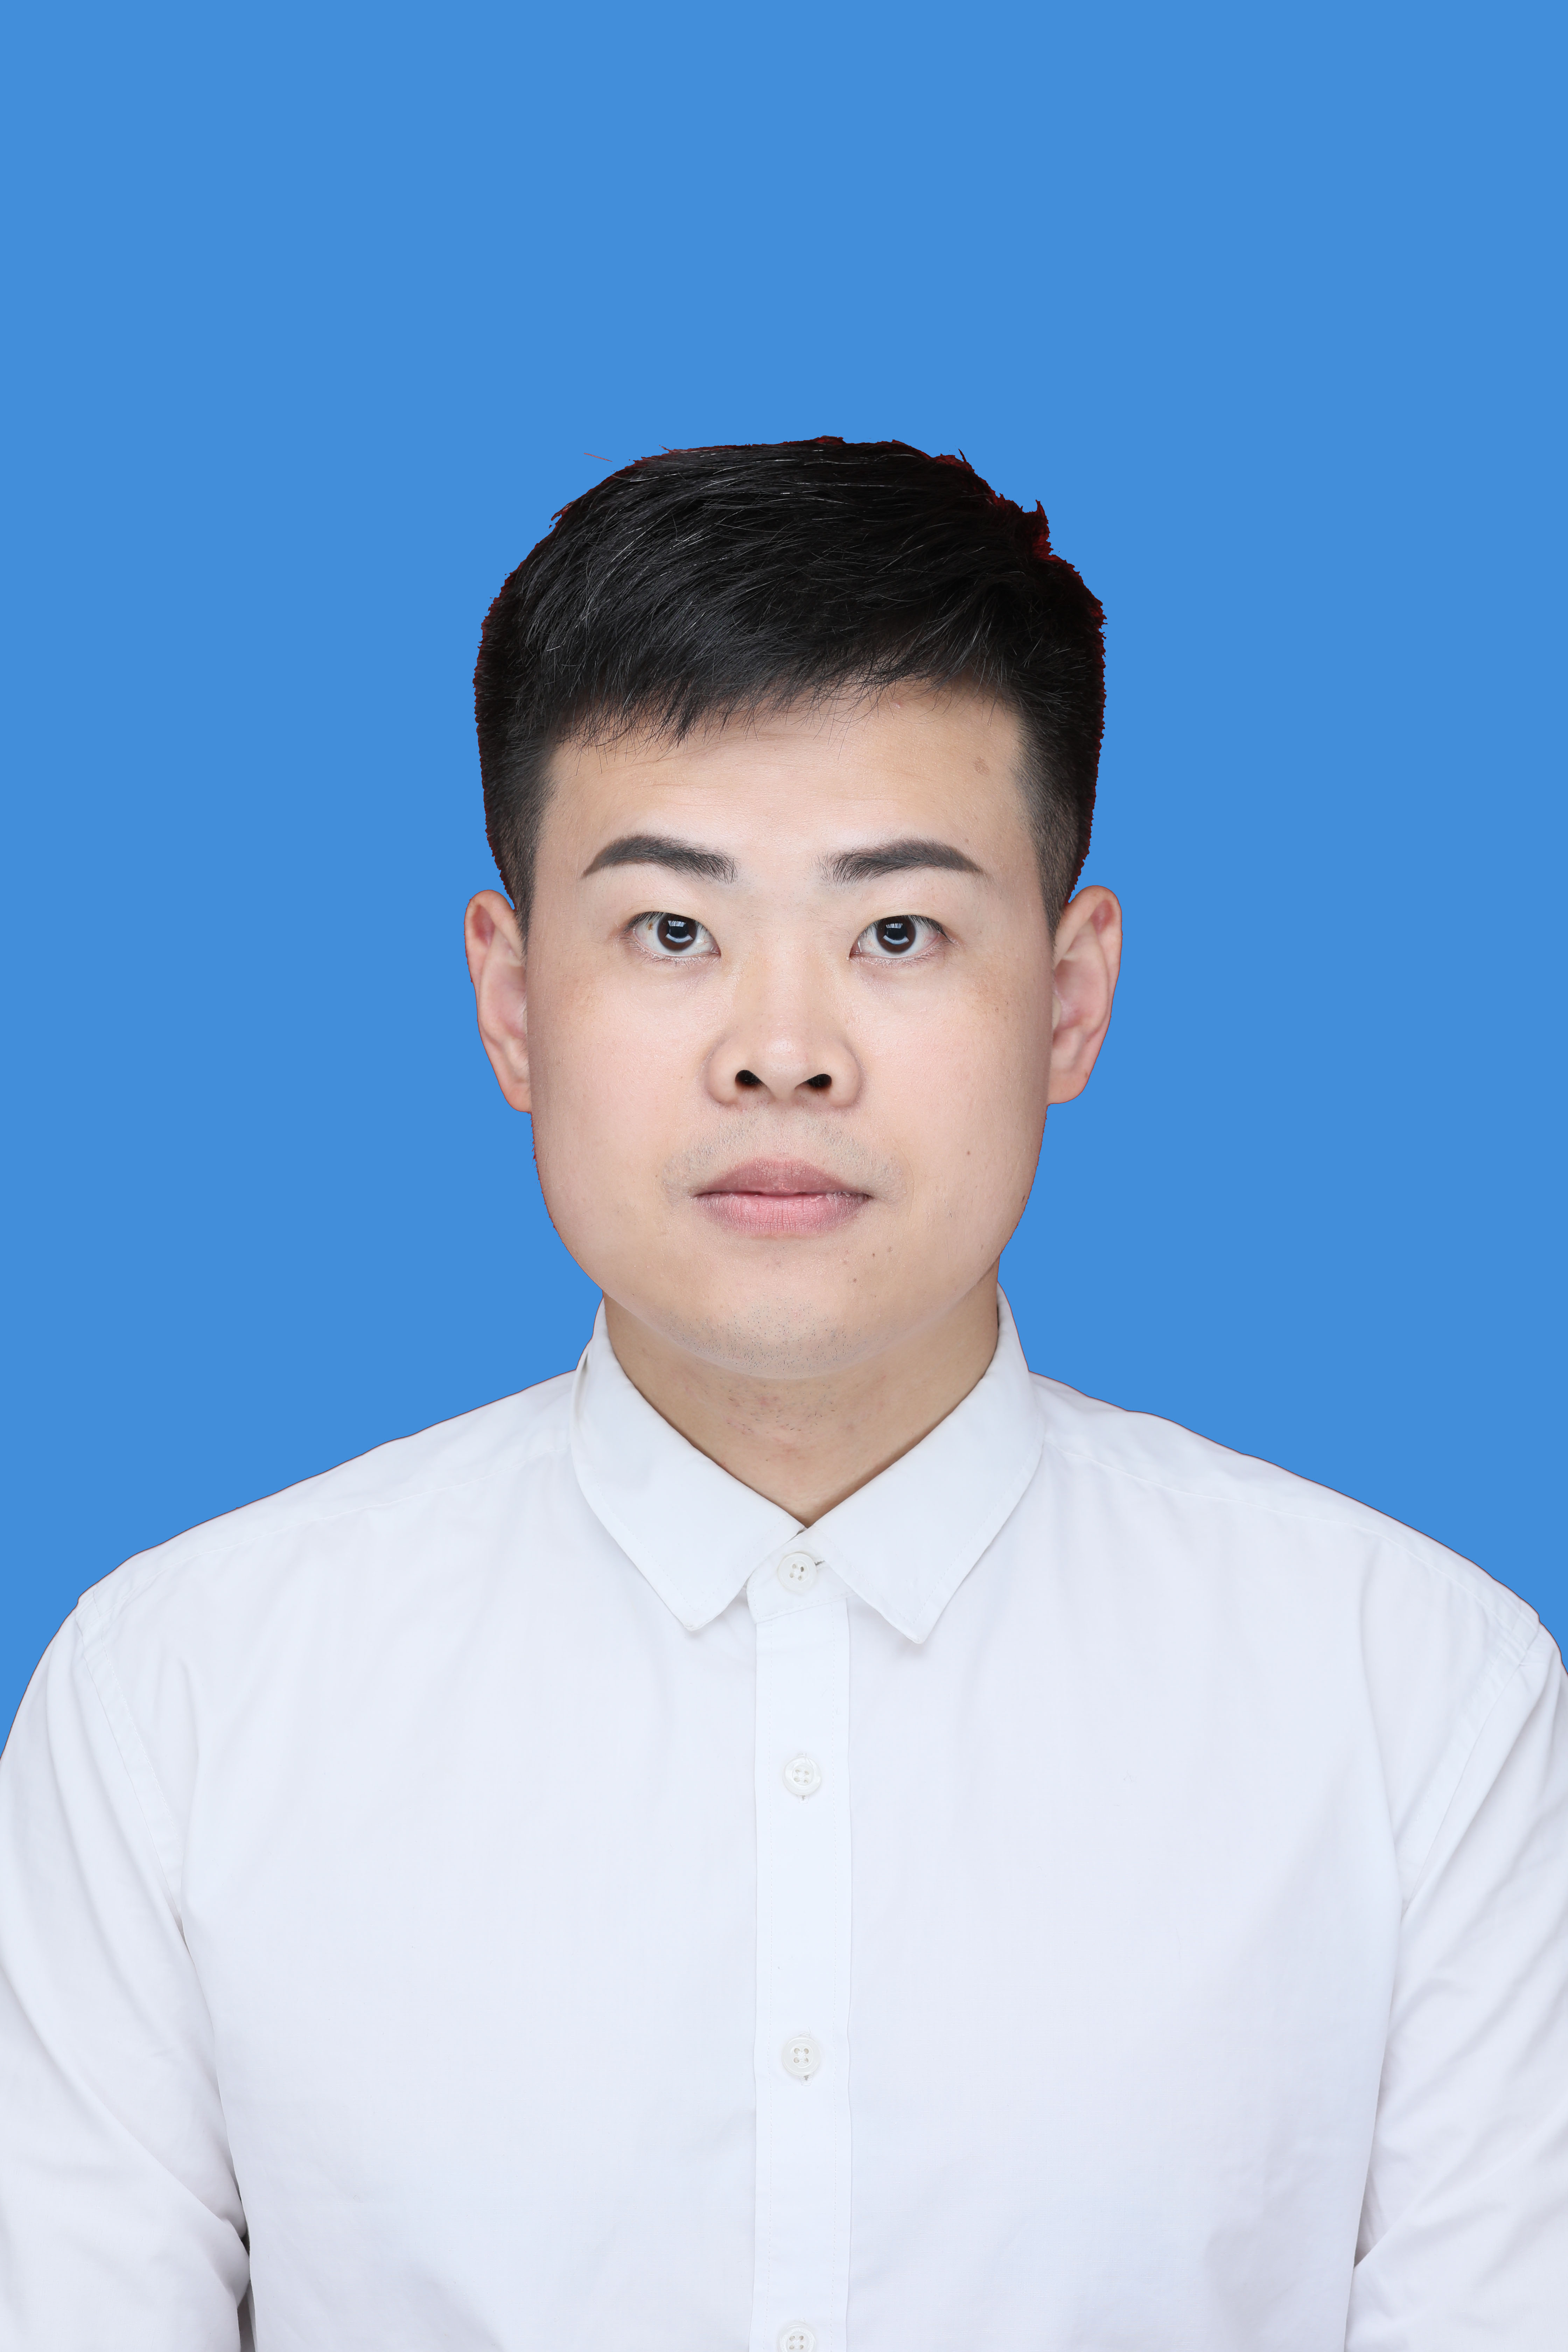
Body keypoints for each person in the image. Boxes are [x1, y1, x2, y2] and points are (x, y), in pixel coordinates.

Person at [0, 438, 1563, 2351]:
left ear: (1071, 997)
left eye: (897, 932)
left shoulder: (1421, 1711)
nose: (784, 1052)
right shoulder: (177, 1705)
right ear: (511, 997)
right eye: (674, 931)